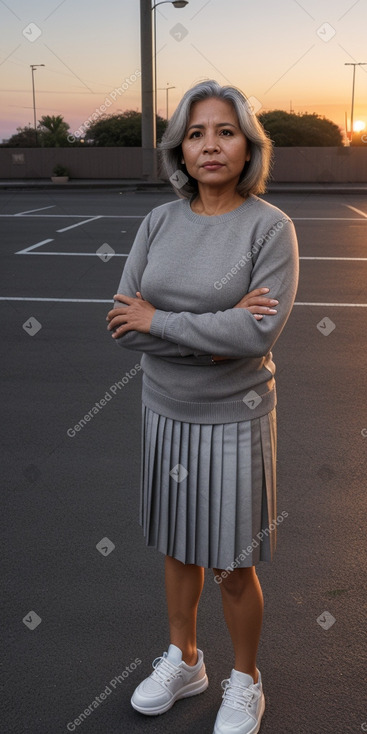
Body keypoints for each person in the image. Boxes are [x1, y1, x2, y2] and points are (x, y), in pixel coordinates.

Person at [106, 79, 299, 734]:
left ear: (247, 146)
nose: (209, 144)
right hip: (164, 408)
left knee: (231, 563)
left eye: (223, 131)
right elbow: (123, 322)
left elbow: (254, 337)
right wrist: (207, 328)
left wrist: (163, 321)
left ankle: (244, 680)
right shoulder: (157, 221)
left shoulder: (270, 229)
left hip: (234, 415)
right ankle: (184, 659)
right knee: (176, 547)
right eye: (195, 133)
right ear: (179, 152)